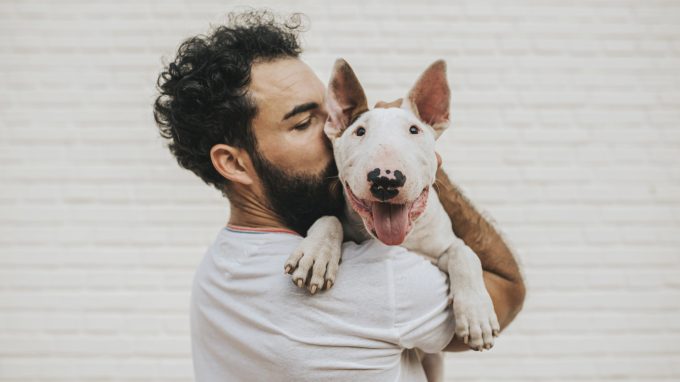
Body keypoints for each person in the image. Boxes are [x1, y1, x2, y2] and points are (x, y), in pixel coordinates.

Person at [153, 10, 526, 382]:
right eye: (303, 123)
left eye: (332, 114)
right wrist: (425, 164)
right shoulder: (383, 279)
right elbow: (506, 288)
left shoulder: (216, 270)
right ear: (233, 163)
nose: (337, 138)